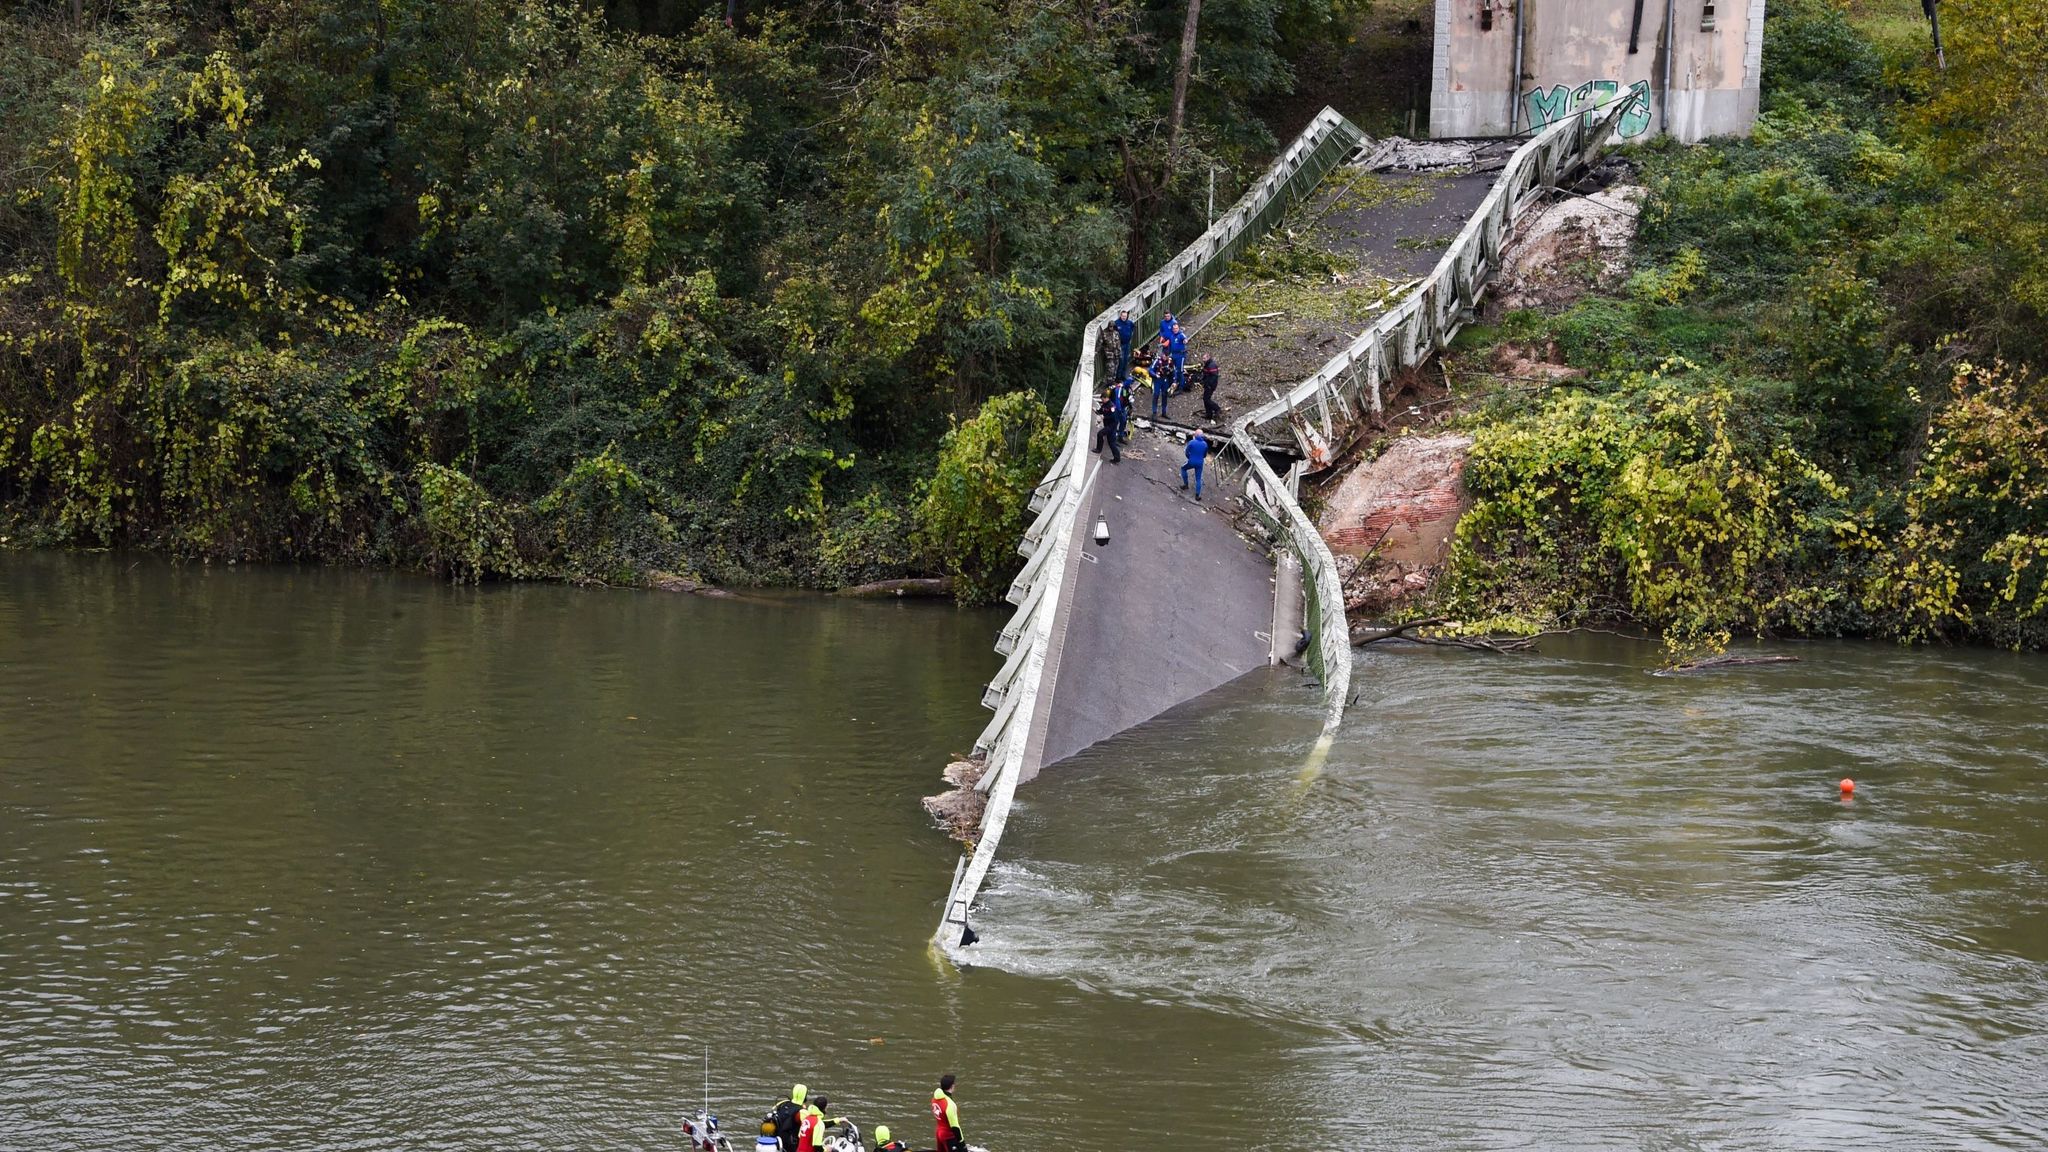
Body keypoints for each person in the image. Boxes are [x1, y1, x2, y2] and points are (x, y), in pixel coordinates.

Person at [931, 1074, 965, 1152]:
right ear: (952, 1086)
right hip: (948, 1136)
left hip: (939, 1133)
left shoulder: (934, 1099)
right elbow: (955, 1126)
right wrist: (961, 1142)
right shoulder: (949, 1104)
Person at [769, 1086, 808, 1152]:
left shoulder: (783, 1104)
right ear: (805, 1097)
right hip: (791, 1145)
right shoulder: (801, 1112)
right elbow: (815, 1123)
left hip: (778, 1142)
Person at [1093, 388, 1121, 463]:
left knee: (1101, 434)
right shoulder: (1104, 405)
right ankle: (1116, 458)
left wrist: (1105, 417)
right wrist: (1095, 410)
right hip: (1107, 425)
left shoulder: (1111, 406)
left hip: (1112, 425)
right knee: (1110, 442)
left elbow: (1113, 416)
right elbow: (1100, 411)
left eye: (1102, 399)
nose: (1102, 401)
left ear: (1106, 398)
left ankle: (1099, 449)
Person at [1181, 428, 1209, 500]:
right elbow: (1205, 455)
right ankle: (1197, 495)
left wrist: (1189, 457)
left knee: (1183, 468)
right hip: (1200, 463)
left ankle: (1186, 484)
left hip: (1191, 461)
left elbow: (1187, 452)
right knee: (1198, 478)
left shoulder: (1192, 442)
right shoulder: (1205, 444)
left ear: (1195, 435)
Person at [1120, 368, 1144, 442]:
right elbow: (1124, 394)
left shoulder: (1130, 382)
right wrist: (1128, 399)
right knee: (1123, 421)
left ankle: (1121, 433)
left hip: (1126, 404)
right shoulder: (1128, 382)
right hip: (1123, 406)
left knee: (1125, 420)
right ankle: (1119, 436)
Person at [1112, 308, 1136, 378]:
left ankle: (1123, 375)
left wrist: (1130, 335)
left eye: (1125, 316)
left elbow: (1133, 327)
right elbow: (1112, 332)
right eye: (1123, 316)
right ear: (1120, 316)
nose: (1124, 318)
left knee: (1126, 360)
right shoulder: (1116, 323)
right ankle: (1118, 377)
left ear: (1127, 316)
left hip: (1127, 344)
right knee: (1121, 361)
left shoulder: (1129, 323)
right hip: (1120, 345)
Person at [1198, 354, 1222, 421]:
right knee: (1205, 399)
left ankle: (1217, 408)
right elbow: (1206, 374)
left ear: (1208, 358)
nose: (1203, 360)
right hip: (1207, 384)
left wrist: (1209, 384)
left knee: (1206, 399)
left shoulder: (1212, 365)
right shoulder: (1207, 364)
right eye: (1203, 358)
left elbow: (1214, 377)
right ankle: (1209, 414)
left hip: (1210, 385)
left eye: (1204, 358)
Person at [1168, 321, 1189, 392]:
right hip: (1174, 355)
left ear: (1178, 328)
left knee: (1180, 370)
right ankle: (1175, 384)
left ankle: (1181, 387)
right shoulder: (1172, 336)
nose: (1175, 330)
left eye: (1176, 328)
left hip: (1180, 355)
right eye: (1174, 329)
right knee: (1175, 370)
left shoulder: (1181, 335)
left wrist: (1185, 341)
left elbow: (1185, 339)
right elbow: (1170, 345)